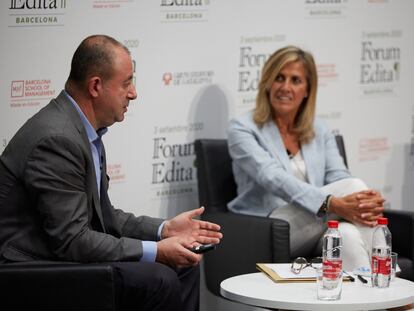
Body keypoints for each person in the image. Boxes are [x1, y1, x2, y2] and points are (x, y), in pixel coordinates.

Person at [0, 35, 222, 311]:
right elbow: (73, 240)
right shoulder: (57, 139)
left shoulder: (83, 131)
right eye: (126, 83)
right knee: (160, 276)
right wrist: (156, 252)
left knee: (185, 264)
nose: (134, 93)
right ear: (96, 86)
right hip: (33, 270)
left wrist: (163, 230)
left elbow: (104, 216)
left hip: (62, 257)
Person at [227, 45, 385, 272]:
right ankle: (394, 286)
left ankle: (373, 302)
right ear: (267, 82)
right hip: (266, 228)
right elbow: (272, 177)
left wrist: (361, 199)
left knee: (348, 235)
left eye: (295, 80)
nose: (285, 87)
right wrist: (331, 203)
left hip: (316, 226)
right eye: (279, 78)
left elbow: (339, 176)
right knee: (355, 187)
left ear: (308, 89)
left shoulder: (319, 129)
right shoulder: (242, 128)